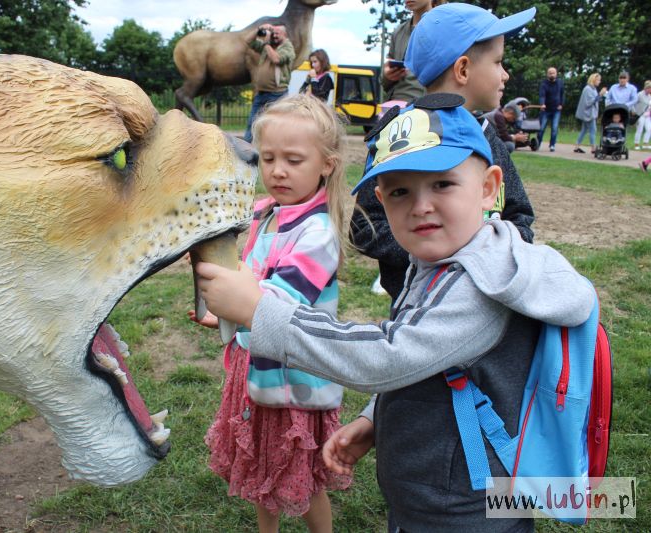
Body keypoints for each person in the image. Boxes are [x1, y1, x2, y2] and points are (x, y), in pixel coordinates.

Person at [194, 101, 595, 532]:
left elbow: (390, 356)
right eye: (400, 192)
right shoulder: (440, 261)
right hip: (430, 495)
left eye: (442, 184)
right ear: (382, 200)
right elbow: (426, 358)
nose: (421, 206)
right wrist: (374, 417)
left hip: (465, 510)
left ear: (488, 187)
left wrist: (258, 310)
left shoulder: (481, 284)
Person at [190, 94, 351, 533]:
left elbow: (277, 304)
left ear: (327, 165)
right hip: (256, 366)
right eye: (268, 158)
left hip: (294, 380)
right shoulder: (265, 215)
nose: (278, 171)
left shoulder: (317, 233)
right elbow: (251, 284)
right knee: (260, 466)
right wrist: (222, 316)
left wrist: (237, 306)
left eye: (294, 160)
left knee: (303, 476)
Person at [351, 2, 536, 300]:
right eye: (498, 62)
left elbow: (520, 215)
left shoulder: (488, 137)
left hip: (485, 300)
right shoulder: (399, 138)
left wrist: (493, 253)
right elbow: (363, 227)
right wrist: (430, 252)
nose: (505, 75)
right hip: (416, 307)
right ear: (463, 69)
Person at [381, 0, 446, 105]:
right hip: (394, 104)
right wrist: (387, 76)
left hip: (426, 106)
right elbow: (384, 84)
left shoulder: (444, 29)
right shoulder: (399, 31)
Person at [243, 24, 295, 143]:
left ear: (285, 34)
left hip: (277, 94)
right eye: (273, 33)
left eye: (277, 33)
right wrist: (259, 29)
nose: (274, 35)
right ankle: (247, 151)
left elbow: (276, 59)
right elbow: (248, 41)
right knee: (252, 124)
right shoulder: (268, 47)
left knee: (276, 125)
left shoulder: (288, 48)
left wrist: (266, 43)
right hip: (261, 93)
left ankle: (275, 148)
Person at [574, 72, 607, 153]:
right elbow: (589, 102)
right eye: (598, 80)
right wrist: (600, 94)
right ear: (593, 80)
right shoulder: (588, 89)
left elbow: (595, 99)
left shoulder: (593, 89)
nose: (599, 82)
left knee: (584, 130)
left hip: (589, 113)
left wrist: (600, 96)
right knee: (593, 130)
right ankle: (593, 148)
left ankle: (577, 146)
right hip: (588, 114)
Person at [537, 66, 564, 151]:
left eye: (553, 73)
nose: (552, 74)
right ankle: (538, 143)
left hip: (556, 109)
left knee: (555, 128)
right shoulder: (544, 84)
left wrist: (561, 104)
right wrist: (542, 104)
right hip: (546, 110)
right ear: (547, 74)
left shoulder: (560, 83)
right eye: (550, 73)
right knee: (541, 128)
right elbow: (542, 95)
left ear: (556, 74)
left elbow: (562, 94)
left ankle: (552, 145)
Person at [633, 80, 651, 150]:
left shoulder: (649, 96)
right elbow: (633, 103)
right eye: (649, 88)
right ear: (646, 88)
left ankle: (645, 143)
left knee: (649, 129)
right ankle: (636, 144)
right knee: (639, 129)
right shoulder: (640, 94)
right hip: (639, 115)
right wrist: (633, 111)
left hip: (647, 115)